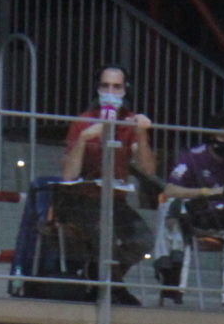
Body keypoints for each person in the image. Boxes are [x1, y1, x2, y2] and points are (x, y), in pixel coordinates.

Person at [59, 65, 156, 306]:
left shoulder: (129, 122)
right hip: (81, 200)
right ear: (98, 89)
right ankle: (113, 288)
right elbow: (68, 175)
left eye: (116, 87)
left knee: (143, 240)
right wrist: (84, 139)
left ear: (125, 90)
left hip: (116, 200)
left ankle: (103, 279)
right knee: (105, 235)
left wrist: (141, 134)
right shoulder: (83, 121)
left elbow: (148, 170)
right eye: (105, 86)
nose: (110, 92)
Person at [155, 111, 224, 307]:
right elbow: (170, 190)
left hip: (223, 217)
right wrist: (206, 192)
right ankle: (171, 284)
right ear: (212, 134)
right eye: (223, 136)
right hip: (193, 214)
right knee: (171, 207)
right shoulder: (193, 157)